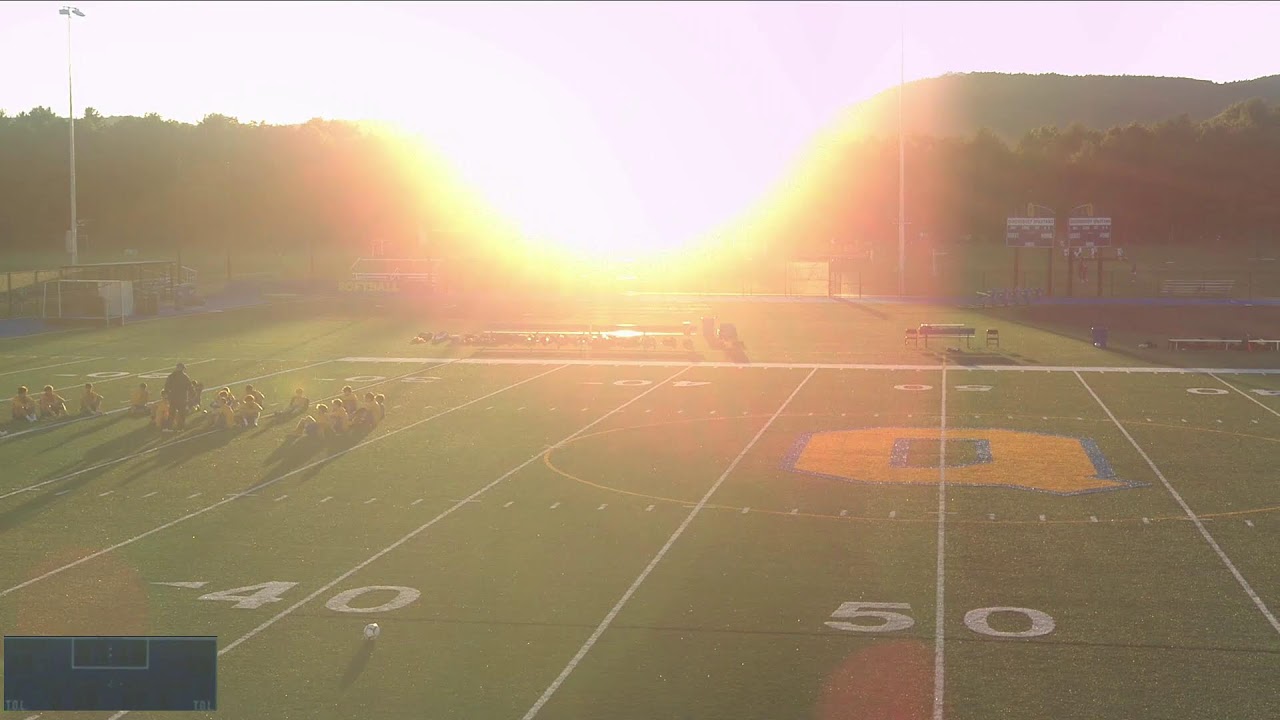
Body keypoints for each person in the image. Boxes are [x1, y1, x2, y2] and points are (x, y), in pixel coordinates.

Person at [164, 363, 193, 431]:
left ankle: (169, 427)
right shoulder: (185, 377)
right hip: (182, 398)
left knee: (172, 413)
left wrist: (167, 394)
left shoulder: (171, 376)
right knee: (181, 414)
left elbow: (167, 386)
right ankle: (180, 427)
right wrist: (192, 395)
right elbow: (190, 387)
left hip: (173, 397)